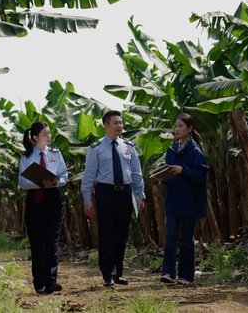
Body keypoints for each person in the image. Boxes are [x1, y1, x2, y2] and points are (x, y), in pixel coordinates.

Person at [81, 110, 146, 287]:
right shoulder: (96, 148)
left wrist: (140, 195)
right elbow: (88, 176)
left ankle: (119, 272)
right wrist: (87, 200)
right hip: (105, 192)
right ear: (106, 125)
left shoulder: (128, 146)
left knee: (121, 234)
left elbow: (136, 173)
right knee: (107, 234)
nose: (119, 126)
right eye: (115, 123)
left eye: (121, 122)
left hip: (125, 192)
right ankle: (107, 274)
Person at [155, 112, 208, 285]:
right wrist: (162, 179)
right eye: (176, 126)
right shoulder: (171, 150)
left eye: (181, 126)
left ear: (190, 129)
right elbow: (169, 171)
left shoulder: (195, 152)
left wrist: (183, 170)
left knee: (186, 239)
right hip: (173, 200)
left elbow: (201, 176)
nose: (177, 129)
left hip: (190, 202)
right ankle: (168, 273)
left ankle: (186, 275)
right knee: (170, 237)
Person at [19, 121, 69, 295]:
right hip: (35, 199)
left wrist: (57, 181)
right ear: (35, 137)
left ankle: (51, 281)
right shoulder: (26, 156)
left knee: (52, 241)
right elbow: (22, 183)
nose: (49, 136)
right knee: (37, 243)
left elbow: (64, 174)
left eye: (49, 133)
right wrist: (38, 182)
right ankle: (39, 282)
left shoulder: (55, 154)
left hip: (53, 199)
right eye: (45, 134)